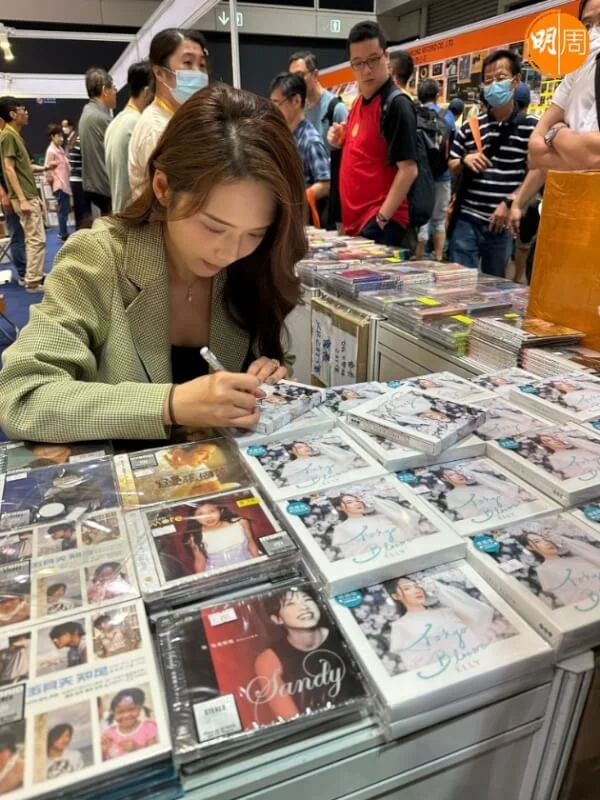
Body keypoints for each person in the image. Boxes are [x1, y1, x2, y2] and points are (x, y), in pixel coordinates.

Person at [0, 85, 306, 444]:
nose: (230, 252)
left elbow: (271, 361)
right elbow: (22, 397)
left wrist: (268, 377)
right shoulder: (99, 257)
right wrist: (170, 404)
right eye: (212, 227)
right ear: (162, 187)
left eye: (255, 233)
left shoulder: (253, 262)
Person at [447, 50, 542, 277]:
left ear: (515, 81)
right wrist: (465, 160)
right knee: (459, 281)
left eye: (500, 78)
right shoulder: (471, 126)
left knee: (494, 285)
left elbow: (537, 172)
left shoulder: (531, 127)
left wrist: (511, 202)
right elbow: (451, 163)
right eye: (488, 81)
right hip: (466, 218)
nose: (493, 85)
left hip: (501, 224)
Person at [328, 22, 418, 246]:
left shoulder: (397, 105)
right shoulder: (359, 102)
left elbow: (408, 170)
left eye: (373, 59)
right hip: (357, 225)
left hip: (381, 226)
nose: (366, 70)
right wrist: (339, 140)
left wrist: (381, 219)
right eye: (358, 63)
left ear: (386, 57)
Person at [253, 588, 361, 719]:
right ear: (277, 619)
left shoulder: (345, 634)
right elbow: (291, 719)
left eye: (307, 600)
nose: (304, 607)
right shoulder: (269, 659)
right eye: (290, 604)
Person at [128, 28, 208, 202]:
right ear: (159, 72)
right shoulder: (157, 130)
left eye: (202, 65)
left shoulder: (179, 120)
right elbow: (169, 199)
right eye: (188, 63)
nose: (198, 73)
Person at [528, 0, 600, 172]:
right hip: (572, 188)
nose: (593, 32)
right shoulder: (576, 72)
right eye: (587, 25)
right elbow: (535, 151)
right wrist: (584, 155)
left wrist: (557, 134)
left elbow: (596, 157)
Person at [386, 576, 495, 672]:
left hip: (481, 665)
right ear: (396, 596)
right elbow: (414, 664)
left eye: (417, 586)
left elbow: (482, 612)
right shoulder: (401, 626)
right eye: (407, 588)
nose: (416, 590)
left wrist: (438, 589)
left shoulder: (447, 613)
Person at [0, 97, 52, 293]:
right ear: (13, 114)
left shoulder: (14, 135)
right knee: (35, 239)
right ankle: (32, 281)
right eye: (22, 108)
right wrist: (22, 199)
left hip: (28, 194)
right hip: (24, 196)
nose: (26, 112)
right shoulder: (8, 136)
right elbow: (9, 168)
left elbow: (24, 167)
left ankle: (35, 275)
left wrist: (44, 168)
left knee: (35, 237)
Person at [270, 72, 330, 222]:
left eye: (277, 103)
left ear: (296, 101)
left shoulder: (310, 140)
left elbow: (325, 184)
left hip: (303, 219)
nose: (274, 109)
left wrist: (296, 200)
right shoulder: (284, 136)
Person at [104, 61, 153, 213]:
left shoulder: (115, 123)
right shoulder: (138, 124)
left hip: (120, 213)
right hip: (134, 216)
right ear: (147, 92)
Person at [329, 492, 430, 559]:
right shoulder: (341, 528)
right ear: (339, 508)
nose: (357, 503)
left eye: (358, 500)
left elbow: (410, 518)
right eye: (349, 502)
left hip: (407, 554)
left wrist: (376, 502)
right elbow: (351, 554)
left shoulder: (381, 518)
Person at [415, 79, 451, 261]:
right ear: (437, 95)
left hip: (421, 175)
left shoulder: (415, 114)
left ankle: (418, 258)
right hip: (443, 175)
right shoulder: (447, 116)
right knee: (439, 220)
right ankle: (438, 257)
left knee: (421, 219)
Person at [518, 530, 600, 607]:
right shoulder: (543, 570)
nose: (546, 542)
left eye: (545, 539)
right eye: (537, 541)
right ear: (529, 547)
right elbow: (570, 599)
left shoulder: (576, 559)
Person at [287, 51, 348, 148]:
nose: (295, 82)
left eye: (300, 75)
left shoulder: (336, 108)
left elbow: (350, 147)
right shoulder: (300, 108)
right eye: (292, 77)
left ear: (315, 75)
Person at [78, 67, 117, 216]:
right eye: (113, 88)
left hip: (97, 186)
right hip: (106, 188)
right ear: (104, 90)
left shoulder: (88, 112)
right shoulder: (101, 118)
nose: (115, 92)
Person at [183, 501, 260, 572]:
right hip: (217, 573)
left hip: (247, 567)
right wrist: (201, 579)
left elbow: (251, 544)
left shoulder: (241, 522)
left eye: (212, 511)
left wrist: (258, 565)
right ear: (194, 518)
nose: (208, 517)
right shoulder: (195, 536)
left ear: (221, 510)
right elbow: (200, 560)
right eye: (200, 514)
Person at [0, 117, 26, 286]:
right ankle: (23, 272)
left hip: (17, 193)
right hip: (8, 194)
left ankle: (29, 270)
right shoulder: (5, 137)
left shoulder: (8, 136)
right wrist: (3, 195)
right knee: (16, 233)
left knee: (24, 234)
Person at [101, 688, 157, 760]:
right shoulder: (109, 733)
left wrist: (136, 748)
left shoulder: (149, 727)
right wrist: (103, 751)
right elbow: (105, 760)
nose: (126, 715)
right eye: (120, 712)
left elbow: (155, 754)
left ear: (139, 708)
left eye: (131, 709)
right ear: (113, 714)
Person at [44, 124, 72, 242]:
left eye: (61, 135)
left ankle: (63, 232)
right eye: (58, 136)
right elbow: (47, 170)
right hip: (59, 184)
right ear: (52, 136)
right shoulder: (51, 151)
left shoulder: (60, 149)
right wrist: (52, 183)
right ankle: (63, 234)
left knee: (65, 210)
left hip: (65, 184)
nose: (61, 138)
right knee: (63, 210)